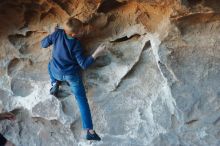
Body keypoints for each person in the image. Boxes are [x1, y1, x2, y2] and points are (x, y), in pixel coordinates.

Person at [41, 17, 106, 141]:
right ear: (74, 34)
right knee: (81, 100)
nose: (82, 31)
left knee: (50, 64)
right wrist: (96, 53)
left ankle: (54, 83)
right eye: (81, 31)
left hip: (56, 72)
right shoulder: (76, 44)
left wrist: (53, 33)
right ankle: (90, 131)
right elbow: (83, 64)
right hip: (71, 76)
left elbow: (43, 44)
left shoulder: (58, 33)